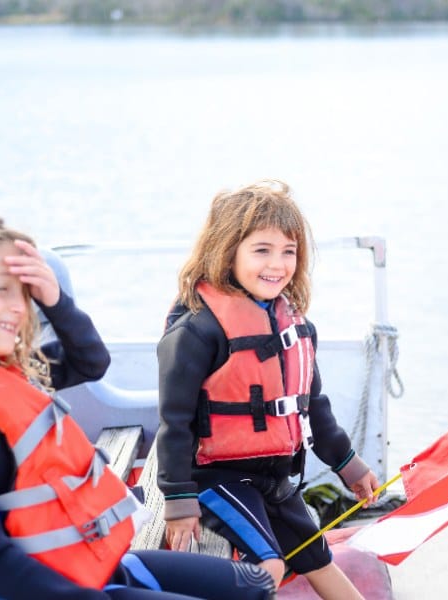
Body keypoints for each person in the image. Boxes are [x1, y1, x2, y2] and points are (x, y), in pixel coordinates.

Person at [0, 218, 275, 600]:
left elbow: (89, 361)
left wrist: (55, 300)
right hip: (58, 589)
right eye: (1, 290)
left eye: (22, 294)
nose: (19, 308)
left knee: (256, 584)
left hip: (97, 567)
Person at [156, 181, 380, 599]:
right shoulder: (197, 332)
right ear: (227, 251)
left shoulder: (295, 328)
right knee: (269, 565)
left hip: (275, 477)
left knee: (319, 558)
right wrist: (179, 500)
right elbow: (174, 421)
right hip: (215, 477)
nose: (277, 263)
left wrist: (348, 464)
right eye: (262, 250)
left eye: (288, 251)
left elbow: (314, 407)